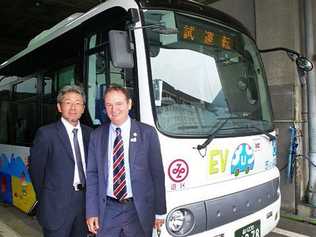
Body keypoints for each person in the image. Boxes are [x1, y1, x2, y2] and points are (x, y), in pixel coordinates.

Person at [86, 86, 166, 237]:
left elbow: (157, 174)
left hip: (138, 209)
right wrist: (91, 211)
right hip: (107, 210)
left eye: (119, 104)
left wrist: (160, 211)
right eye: (109, 105)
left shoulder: (147, 133)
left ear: (129, 104)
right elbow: (92, 175)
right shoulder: (97, 136)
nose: (114, 109)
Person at [29, 85, 93, 237]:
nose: (73, 107)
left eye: (78, 103)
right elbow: (36, 171)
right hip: (56, 205)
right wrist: (46, 199)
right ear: (59, 107)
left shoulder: (90, 134)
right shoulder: (46, 134)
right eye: (68, 102)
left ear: (83, 108)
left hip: (84, 204)